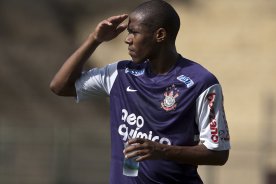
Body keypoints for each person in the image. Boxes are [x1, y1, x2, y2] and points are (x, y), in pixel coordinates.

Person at [50, 0, 230, 183]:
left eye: (134, 32)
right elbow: (60, 86)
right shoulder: (120, 74)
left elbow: (218, 153)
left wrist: (162, 151)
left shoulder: (200, 82)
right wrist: (94, 39)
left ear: (159, 35)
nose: (127, 39)